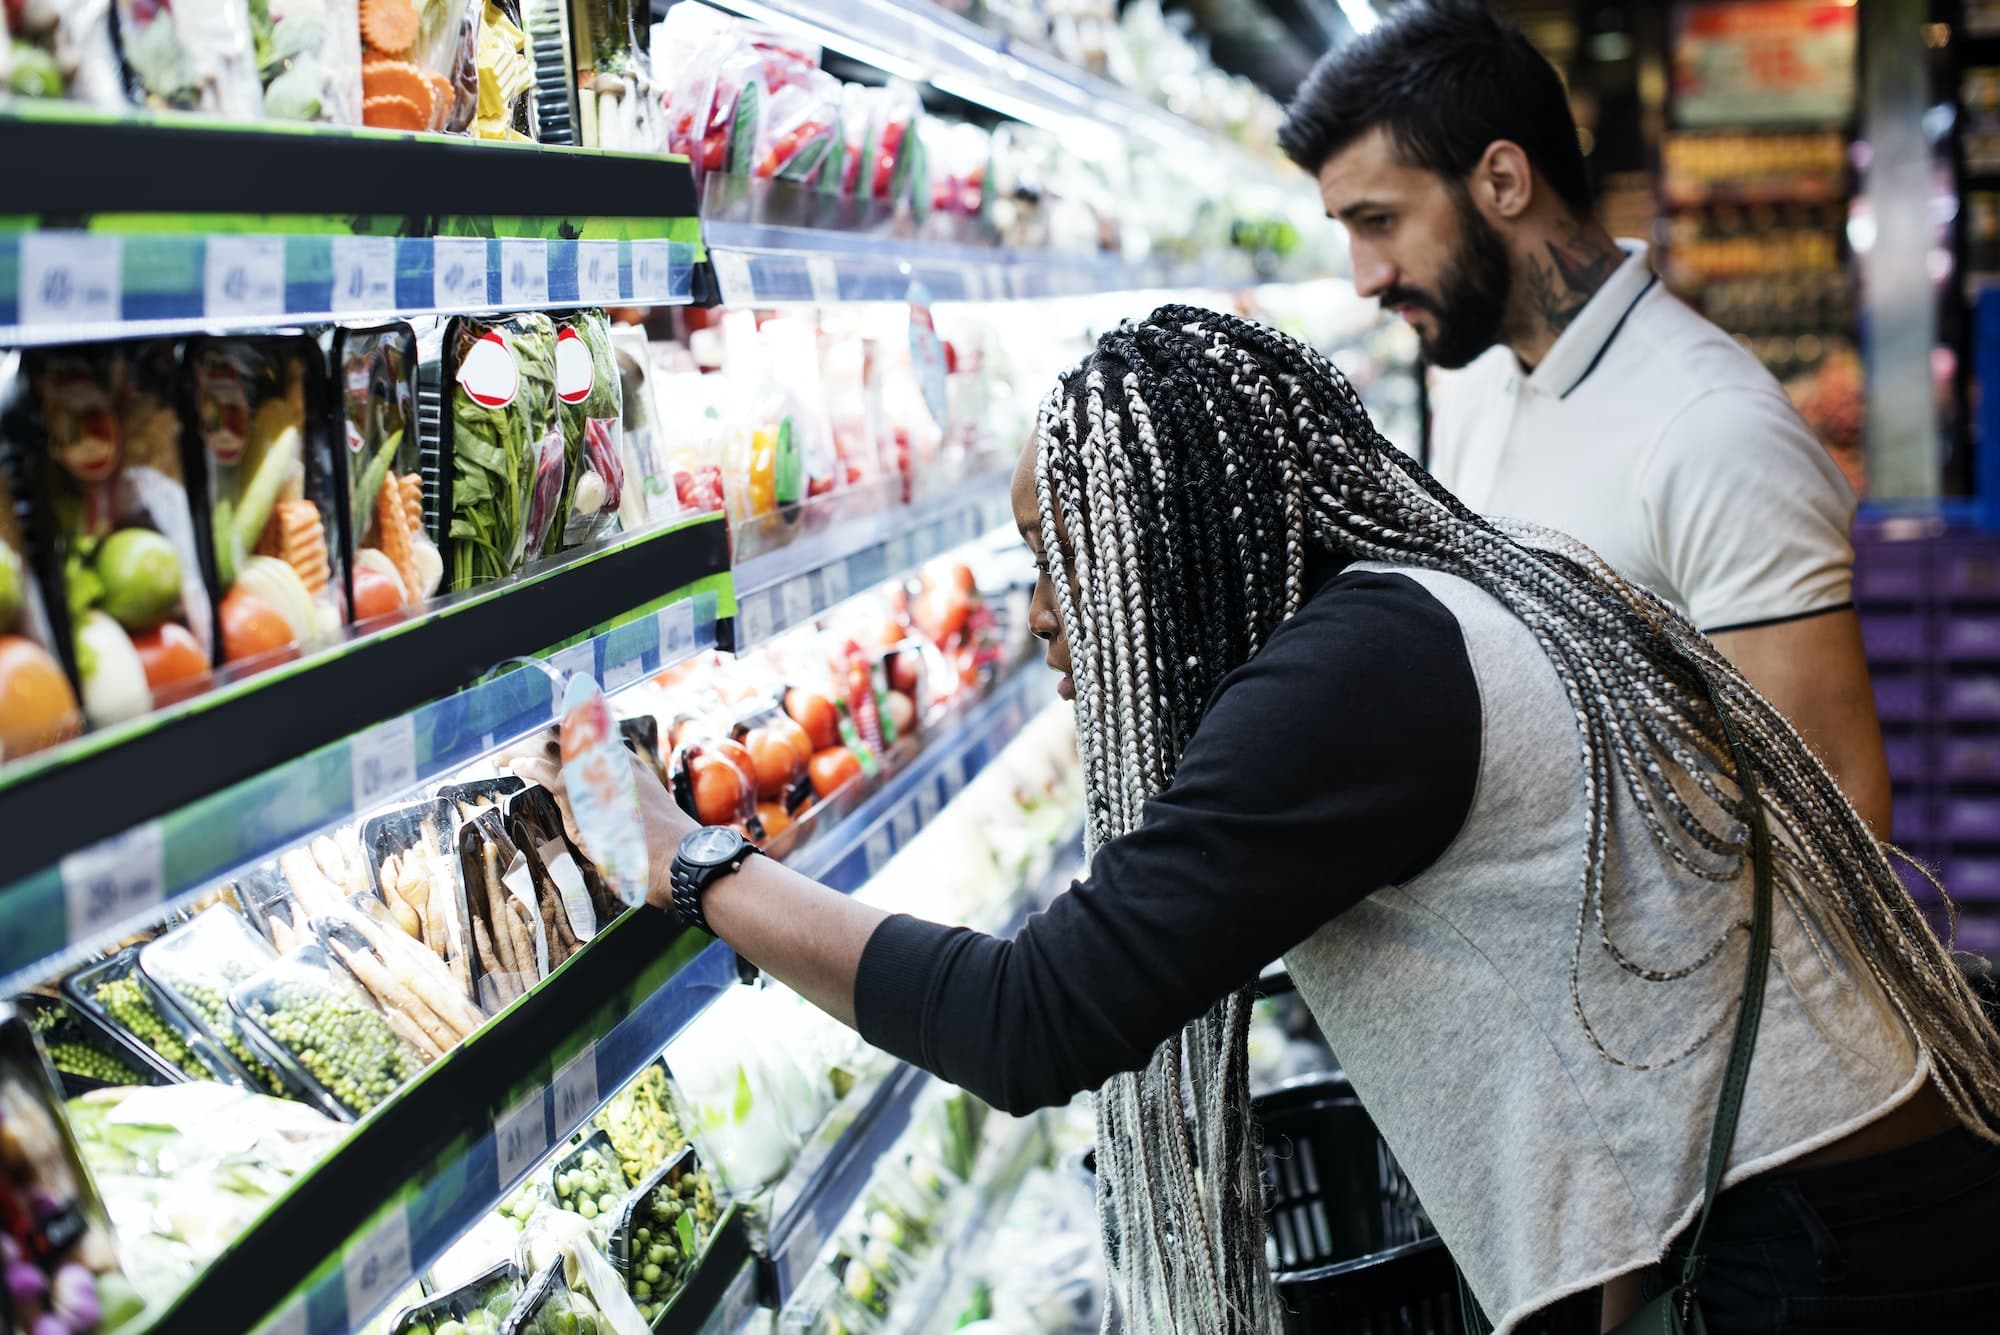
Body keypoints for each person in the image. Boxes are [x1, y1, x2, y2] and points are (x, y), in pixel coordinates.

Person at [544, 310, 2000, 1334]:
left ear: (1172, 545)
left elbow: (1035, 1017)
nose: (1044, 616)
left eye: (1066, 564)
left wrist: (694, 859)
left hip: (1822, 1261)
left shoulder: (1358, 678)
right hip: (1858, 1199)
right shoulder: (1438, 598)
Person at [1275, 1, 1893, 839]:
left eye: (1379, 221)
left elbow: (1841, 816)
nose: (1366, 277)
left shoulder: (1715, 434)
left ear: (1503, 181)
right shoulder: (1482, 384)